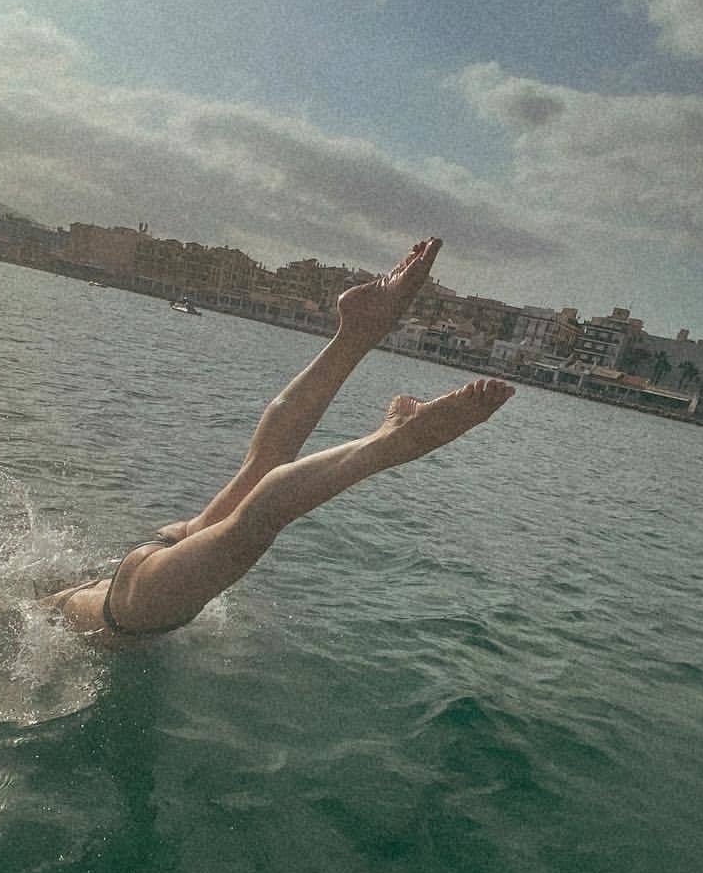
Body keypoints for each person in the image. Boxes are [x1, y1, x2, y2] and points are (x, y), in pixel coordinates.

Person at [37, 237, 514, 645]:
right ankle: (357, 335)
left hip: (131, 609)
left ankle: (384, 440)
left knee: (259, 516)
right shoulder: (60, 594)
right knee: (263, 466)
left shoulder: (38, 615)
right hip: (155, 556)